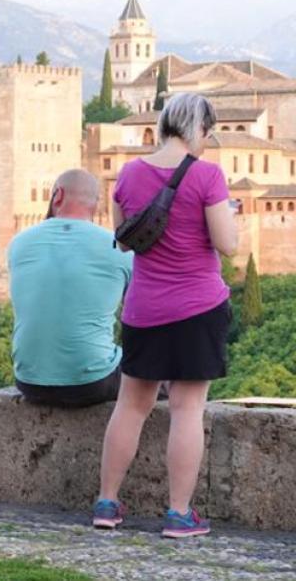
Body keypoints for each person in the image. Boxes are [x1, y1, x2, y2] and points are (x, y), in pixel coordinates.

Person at [94, 93, 237, 539]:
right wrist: (231, 216)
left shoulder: (130, 173)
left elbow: (122, 239)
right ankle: (178, 514)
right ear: (200, 129)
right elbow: (227, 244)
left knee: (131, 405)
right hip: (197, 307)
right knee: (187, 407)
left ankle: (107, 503)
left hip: (143, 308)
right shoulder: (208, 175)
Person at [8, 169, 133, 408]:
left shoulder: (18, 244)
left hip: (28, 381)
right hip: (93, 382)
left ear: (58, 195)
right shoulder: (118, 248)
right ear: (96, 205)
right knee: (157, 375)